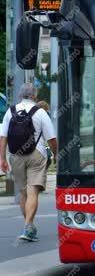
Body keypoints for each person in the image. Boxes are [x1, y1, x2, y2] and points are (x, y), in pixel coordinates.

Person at [0, 84, 58, 241]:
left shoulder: (10, 112)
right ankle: (28, 227)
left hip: (15, 155)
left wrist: (2, 159)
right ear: (35, 95)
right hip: (36, 155)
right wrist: (56, 154)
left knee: (23, 192)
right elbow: (51, 138)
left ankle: (29, 226)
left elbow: (3, 137)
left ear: (20, 95)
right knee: (32, 192)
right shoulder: (40, 112)